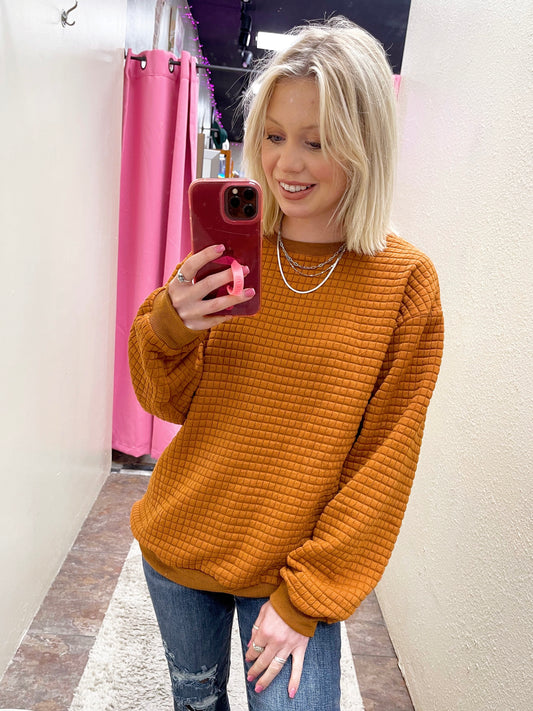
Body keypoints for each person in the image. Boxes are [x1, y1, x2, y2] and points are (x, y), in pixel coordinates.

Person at [128, 16, 444, 711]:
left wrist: (306, 598)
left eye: (316, 141)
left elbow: (383, 462)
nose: (285, 164)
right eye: (272, 136)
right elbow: (163, 399)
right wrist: (172, 324)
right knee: (196, 702)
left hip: (290, 570)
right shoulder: (226, 255)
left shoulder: (404, 283)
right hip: (180, 541)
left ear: (364, 143)